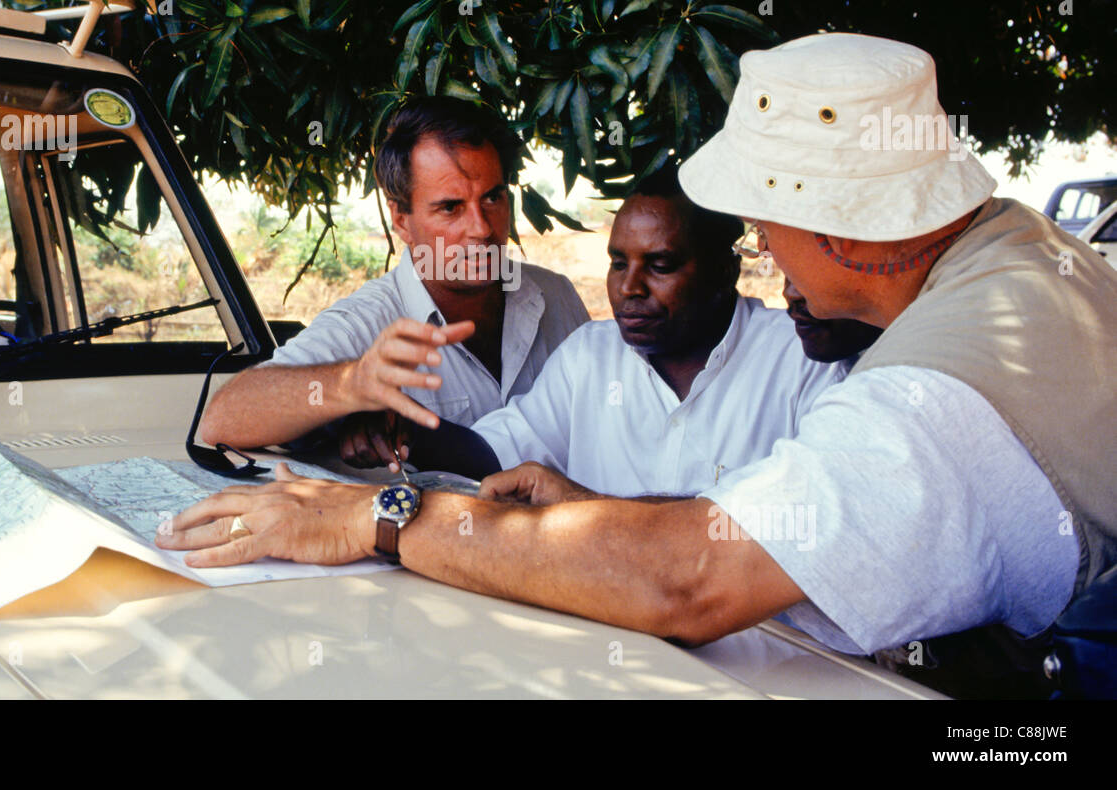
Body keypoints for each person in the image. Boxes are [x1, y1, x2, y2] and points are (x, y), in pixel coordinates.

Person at [157, 33, 1117, 662]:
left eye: (760, 225)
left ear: (848, 236)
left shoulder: (928, 393)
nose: (764, 255)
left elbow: (689, 577)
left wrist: (377, 518)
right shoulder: (1020, 251)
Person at [196, 96, 589, 455]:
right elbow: (223, 420)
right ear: (401, 219)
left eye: (492, 197)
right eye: (451, 208)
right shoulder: (367, 324)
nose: (482, 228)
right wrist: (351, 384)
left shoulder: (555, 296)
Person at [469, 169, 853, 499]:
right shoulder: (589, 355)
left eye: (660, 265)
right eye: (619, 263)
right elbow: (493, 452)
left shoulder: (802, 361)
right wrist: (413, 429)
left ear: (724, 272)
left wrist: (584, 506)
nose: (629, 287)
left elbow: (804, 519)